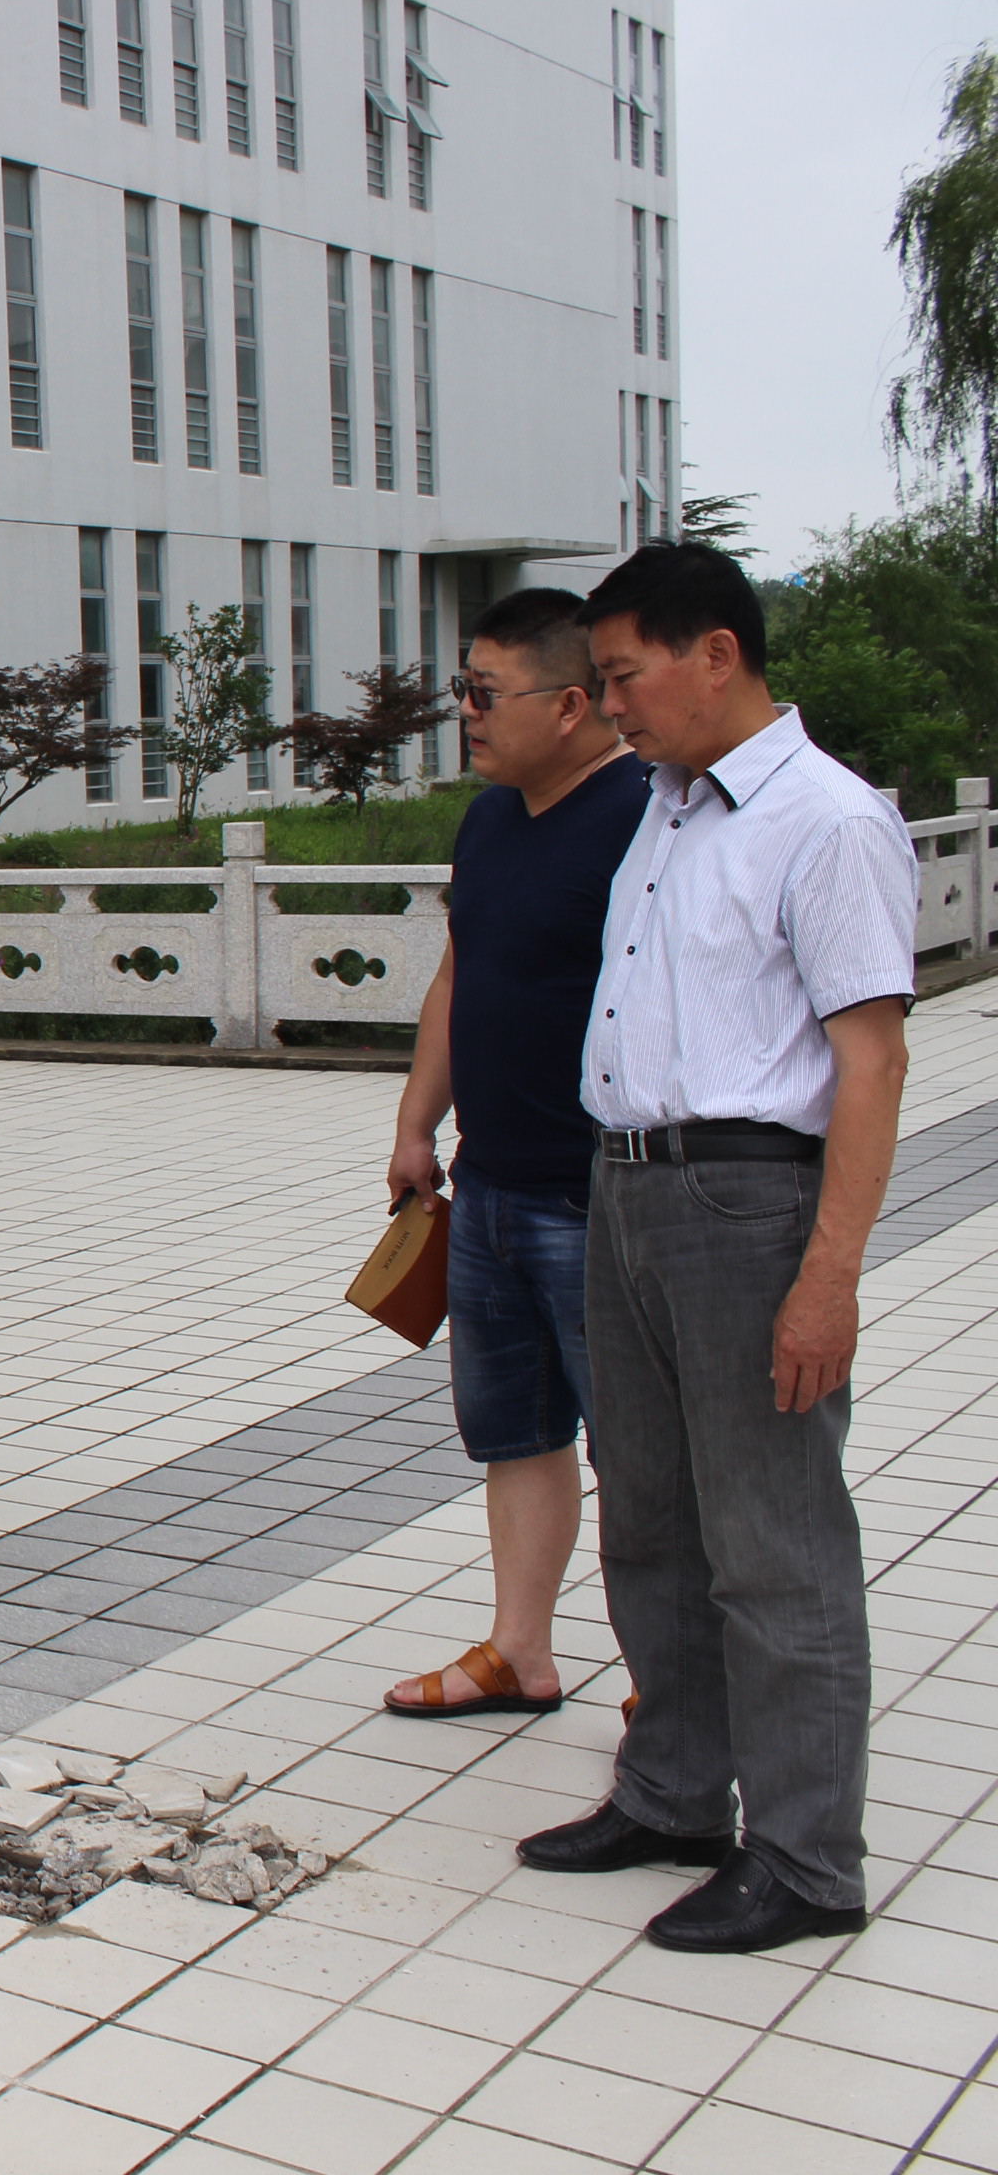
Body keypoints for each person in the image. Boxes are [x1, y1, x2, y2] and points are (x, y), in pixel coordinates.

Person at [512, 542, 918, 1957]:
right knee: (653, 1520)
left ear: (718, 655)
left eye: (625, 675)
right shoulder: (670, 810)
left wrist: (830, 1278)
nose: (611, 703)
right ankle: (676, 1793)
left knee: (774, 1541)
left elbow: (872, 1063)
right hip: (627, 1189)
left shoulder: (827, 821)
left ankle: (806, 1859)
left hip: (750, 1207)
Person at [379, 591, 649, 1721]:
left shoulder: (647, 817)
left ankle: (665, 1681)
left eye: (485, 694)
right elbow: (461, 970)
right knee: (517, 1434)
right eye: (463, 690)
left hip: (604, 1198)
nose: (467, 714)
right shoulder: (490, 820)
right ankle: (519, 1652)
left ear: (572, 704)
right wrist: (417, 1122)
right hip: (487, 1184)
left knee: (637, 1453)